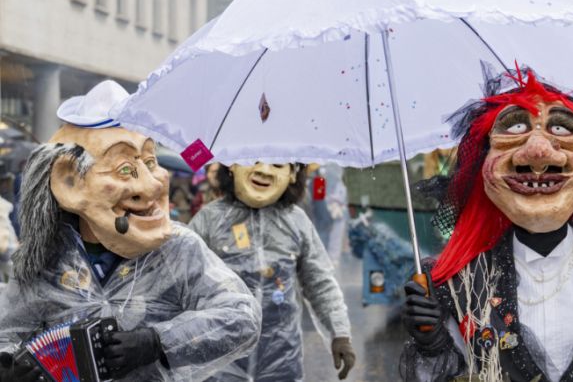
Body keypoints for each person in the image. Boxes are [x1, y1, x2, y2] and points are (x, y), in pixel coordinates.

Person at [399, 68, 573, 381]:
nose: (539, 153)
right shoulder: (460, 283)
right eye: (515, 128)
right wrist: (432, 342)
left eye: (561, 129)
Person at [0, 81, 261, 382]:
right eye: (124, 168)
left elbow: (242, 317)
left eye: (150, 162)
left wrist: (158, 341)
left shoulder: (177, 249)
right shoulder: (44, 255)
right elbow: (7, 333)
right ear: (70, 182)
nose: (150, 184)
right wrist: (9, 368)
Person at [190, 161, 355, 381]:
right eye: (252, 160)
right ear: (232, 167)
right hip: (220, 361)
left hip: (282, 362)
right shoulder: (209, 219)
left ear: (293, 175)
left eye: (277, 164)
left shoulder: (296, 221)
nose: (264, 170)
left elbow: (320, 282)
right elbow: (181, 281)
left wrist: (340, 334)